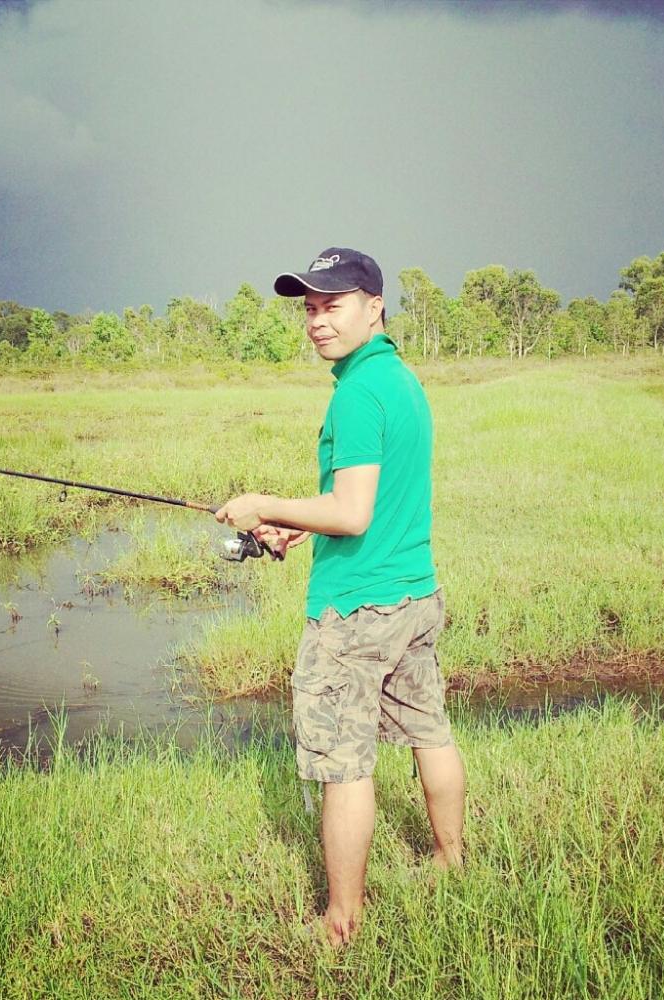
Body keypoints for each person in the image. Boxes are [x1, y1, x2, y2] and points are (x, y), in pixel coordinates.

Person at [215, 247, 466, 947]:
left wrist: (262, 501)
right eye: (310, 309)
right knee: (429, 732)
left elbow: (352, 513)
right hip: (415, 595)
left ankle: (340, 926)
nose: (318, 322)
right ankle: (452, 861)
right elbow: (368, 505)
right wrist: (293, 528)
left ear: (374, 306)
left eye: (333, 305)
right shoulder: (399, 379)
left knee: (345, 767)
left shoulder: (355, 393)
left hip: (355, 611)